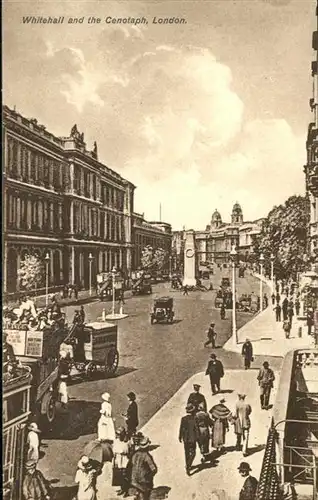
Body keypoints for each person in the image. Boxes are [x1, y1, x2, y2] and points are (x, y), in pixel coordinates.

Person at [129, 436, 157, 500]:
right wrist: (149, 476)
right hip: (144, 481)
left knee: (139, 494)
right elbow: (154, 469)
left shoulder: (135, 454)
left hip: (134, 480)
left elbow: (131, 464)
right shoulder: (147, 456)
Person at [178, 403, 200, 475]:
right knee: (193, 453)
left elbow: (181, 428)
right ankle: (188, 465)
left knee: (186, 452)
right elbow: (196, 429)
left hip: (186, 438)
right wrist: (198, 437)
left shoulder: (183, 419)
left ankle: (187, 464)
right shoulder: (195, 418)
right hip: (192, 438)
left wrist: (180, 436)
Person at [113, 427, 130, 497]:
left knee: (125, 475)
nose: (118, 436)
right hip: (118, 460)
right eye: (117, 434)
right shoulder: (116, 441)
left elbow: (128, 451)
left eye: (119, 434)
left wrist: (122, 452)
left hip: (125, 460)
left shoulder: (127, 442)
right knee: (119, 475)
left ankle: (126, 490)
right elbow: (114, 449)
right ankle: (122, 488)